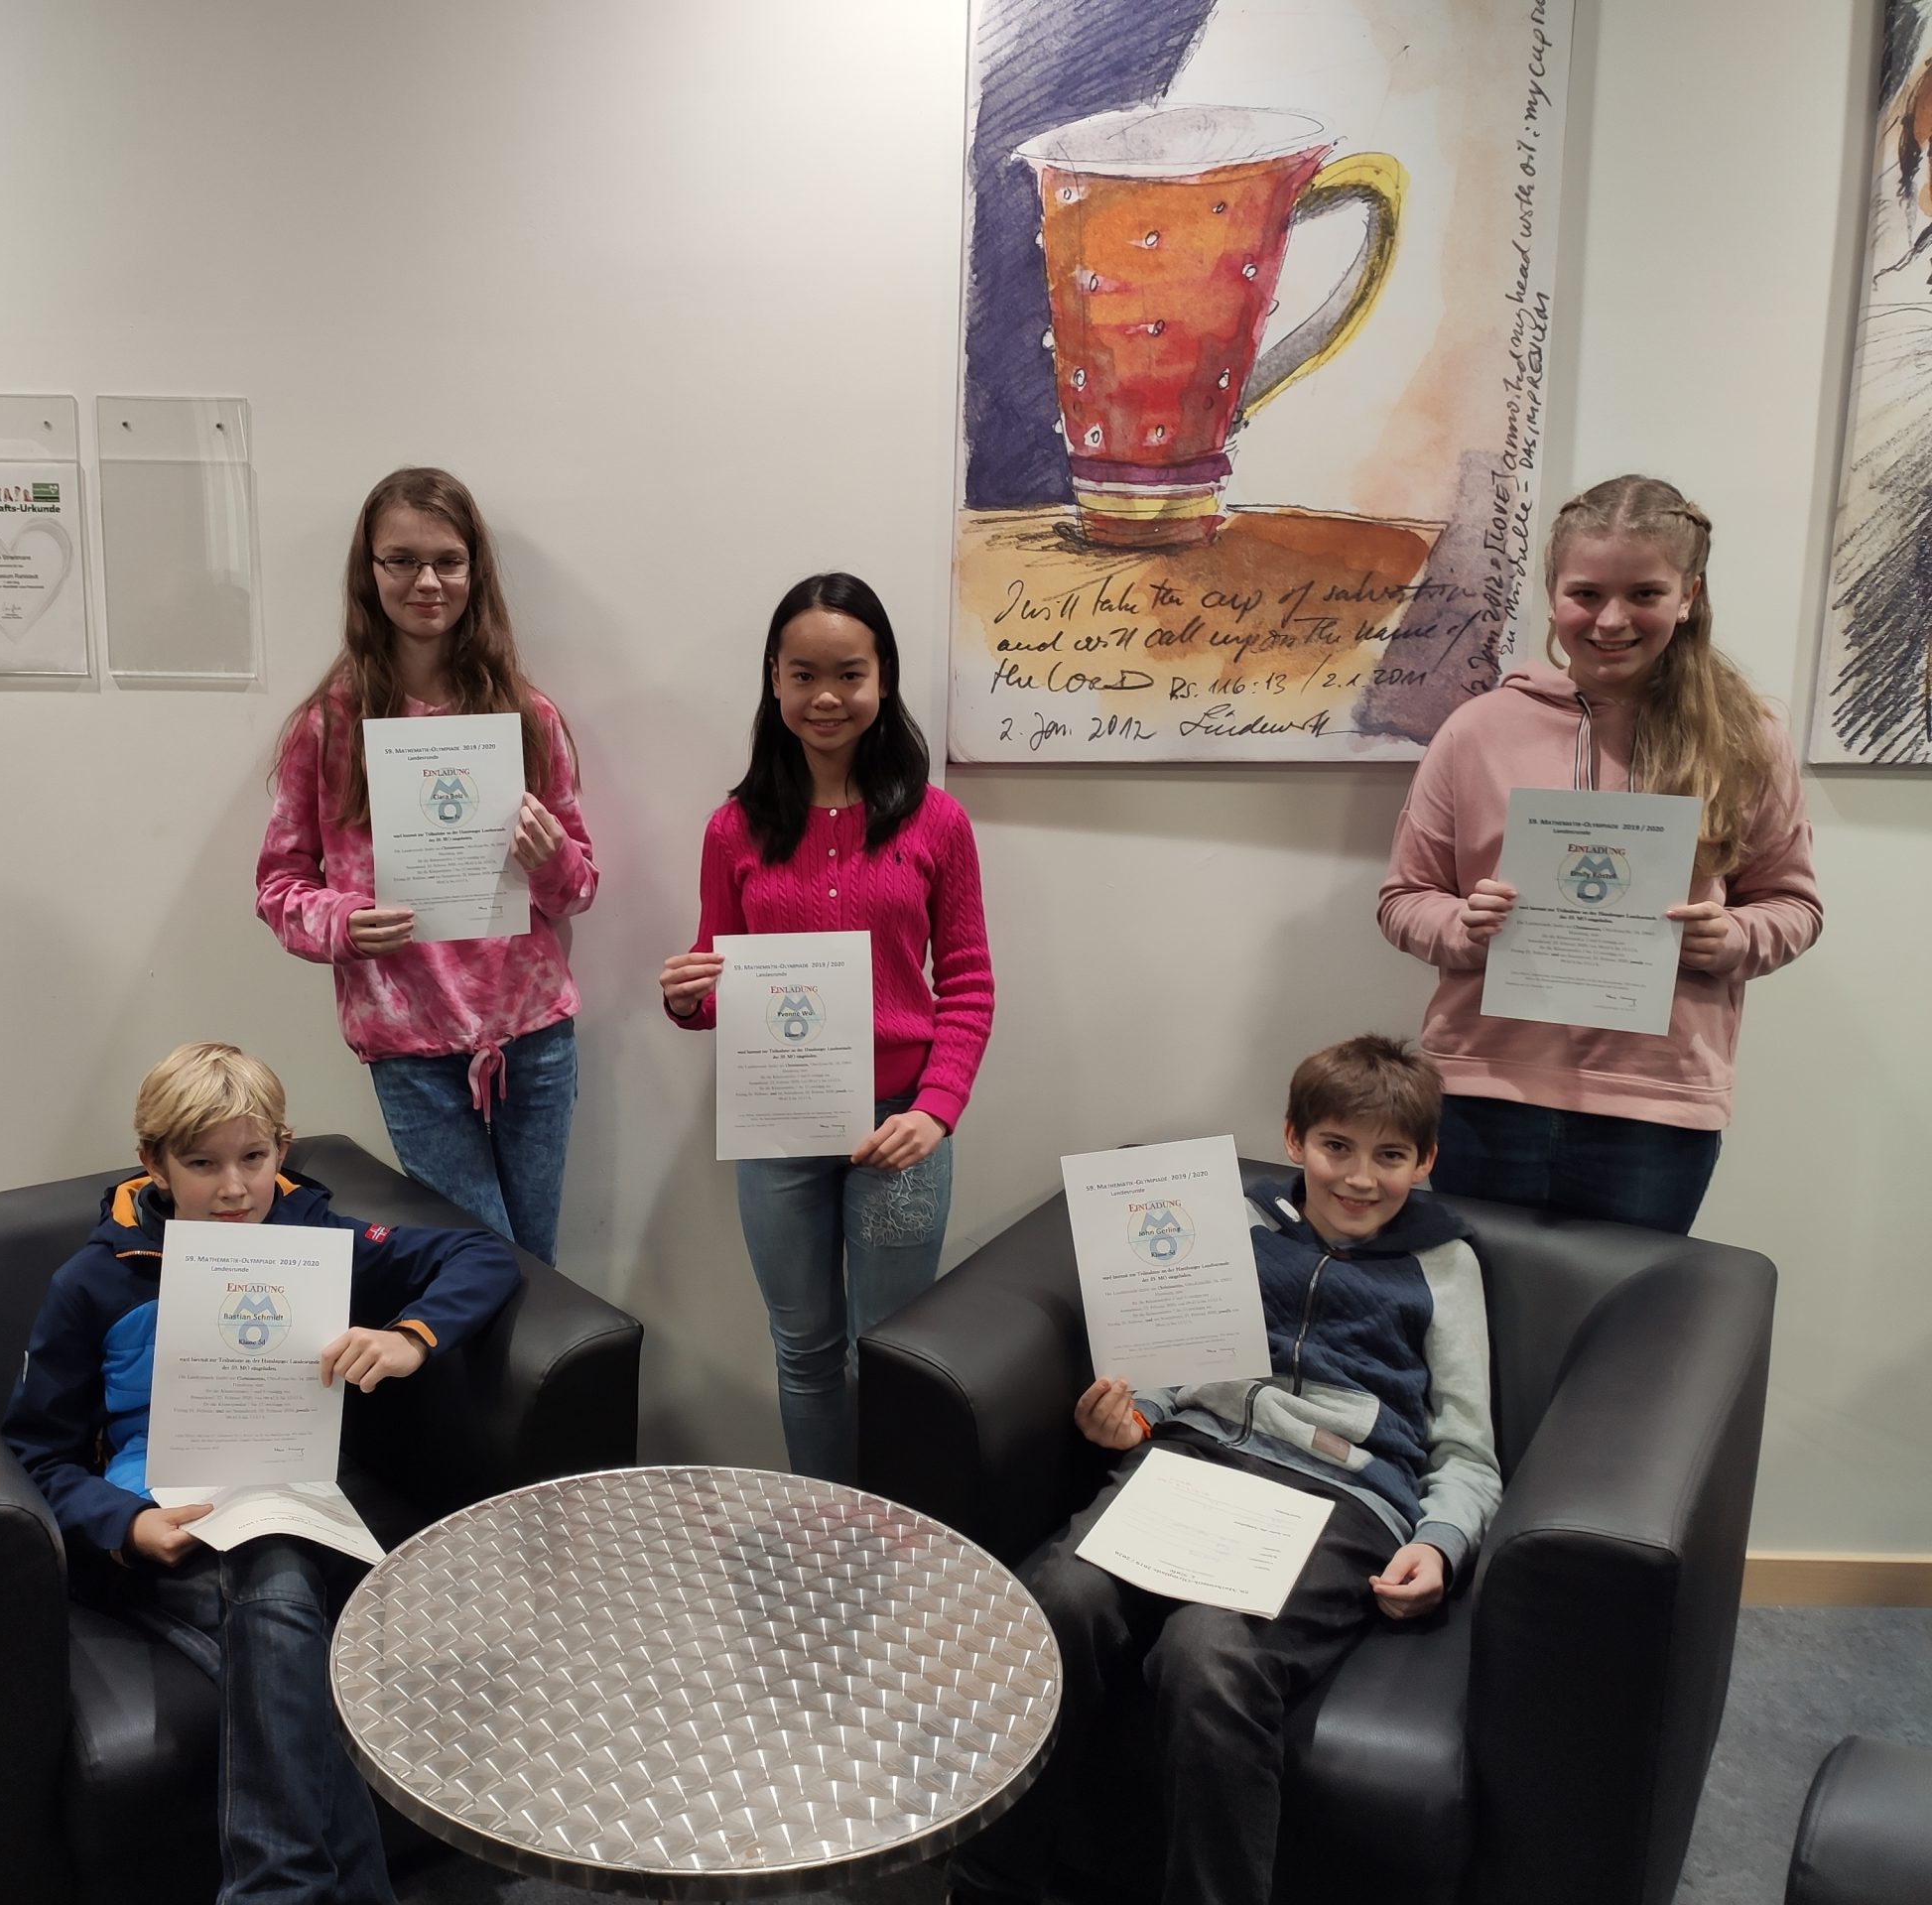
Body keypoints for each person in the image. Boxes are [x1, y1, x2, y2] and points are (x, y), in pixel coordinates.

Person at [950, 1035, 1498, 1905]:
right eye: (1337, 1147)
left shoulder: (1447, 1264)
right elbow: (1176, 1357)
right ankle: (988, 1882)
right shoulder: (1235, 1223)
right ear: (1294, 1140)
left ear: (1425, 1161)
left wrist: (1441, 1541)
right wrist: (1136, 1416)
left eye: (1391, 1156)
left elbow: (1467, 1451)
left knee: (1209, 1654)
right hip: (1197, 1457)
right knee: (1060, 1598)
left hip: (1341, 1497)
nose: (1361, 1178)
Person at [2, 1041, 517, 1905]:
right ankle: (278, 1885)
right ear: (154, 1163)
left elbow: (480, 1257)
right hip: (162, 1520)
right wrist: (124, 1526)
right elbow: (35, 1451)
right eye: (202, 1165)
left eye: (253, 1157)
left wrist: (410, 1338)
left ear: (282, 1147)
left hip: (289, 1495)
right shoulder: (94, 1281)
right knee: (281, 1603)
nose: (234, 1188)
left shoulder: (315, 1241)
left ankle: (276, 1888)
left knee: (278, 1591)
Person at [1379, 473, 1823, 1232]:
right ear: (1553, 595)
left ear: (1688, 596)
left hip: (1656, 1107)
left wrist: (1733, 937)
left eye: (1644, 593)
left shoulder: (1746, 738)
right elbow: (1403, 898)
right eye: (1586, 593)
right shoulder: (1478, 731)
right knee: (1477, 1305)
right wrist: (1463, 929)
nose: (1611, 619)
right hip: (1486, 1091)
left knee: (1622, 1309)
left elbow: (1794, 904)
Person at [657, 572, 993, 1483]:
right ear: (774, 678)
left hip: (899, 1126)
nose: (827, 697)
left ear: (884, 678)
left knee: (890, 1352)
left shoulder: (937, 822)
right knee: (803, 1350)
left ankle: (892, 1536)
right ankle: (821, 1529)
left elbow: (967, 984)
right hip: (779, 1124)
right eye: (804, 674)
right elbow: (722, 985)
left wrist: (937, 1109)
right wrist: (687, 998)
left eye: (850, 673)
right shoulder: (734, 829)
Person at [256, 468, 597, 1266]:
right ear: (369, 570)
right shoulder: (328, 727)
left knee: (535, 1267)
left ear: (475, 570)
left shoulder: (526, 716)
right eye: (402, 561)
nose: (427, 582)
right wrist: (343, 921)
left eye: (448, 560)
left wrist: (549, 859)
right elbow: (278, 887)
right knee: (483, 1265)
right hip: (409, 1047)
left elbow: (580, 885)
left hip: (535, 1038)